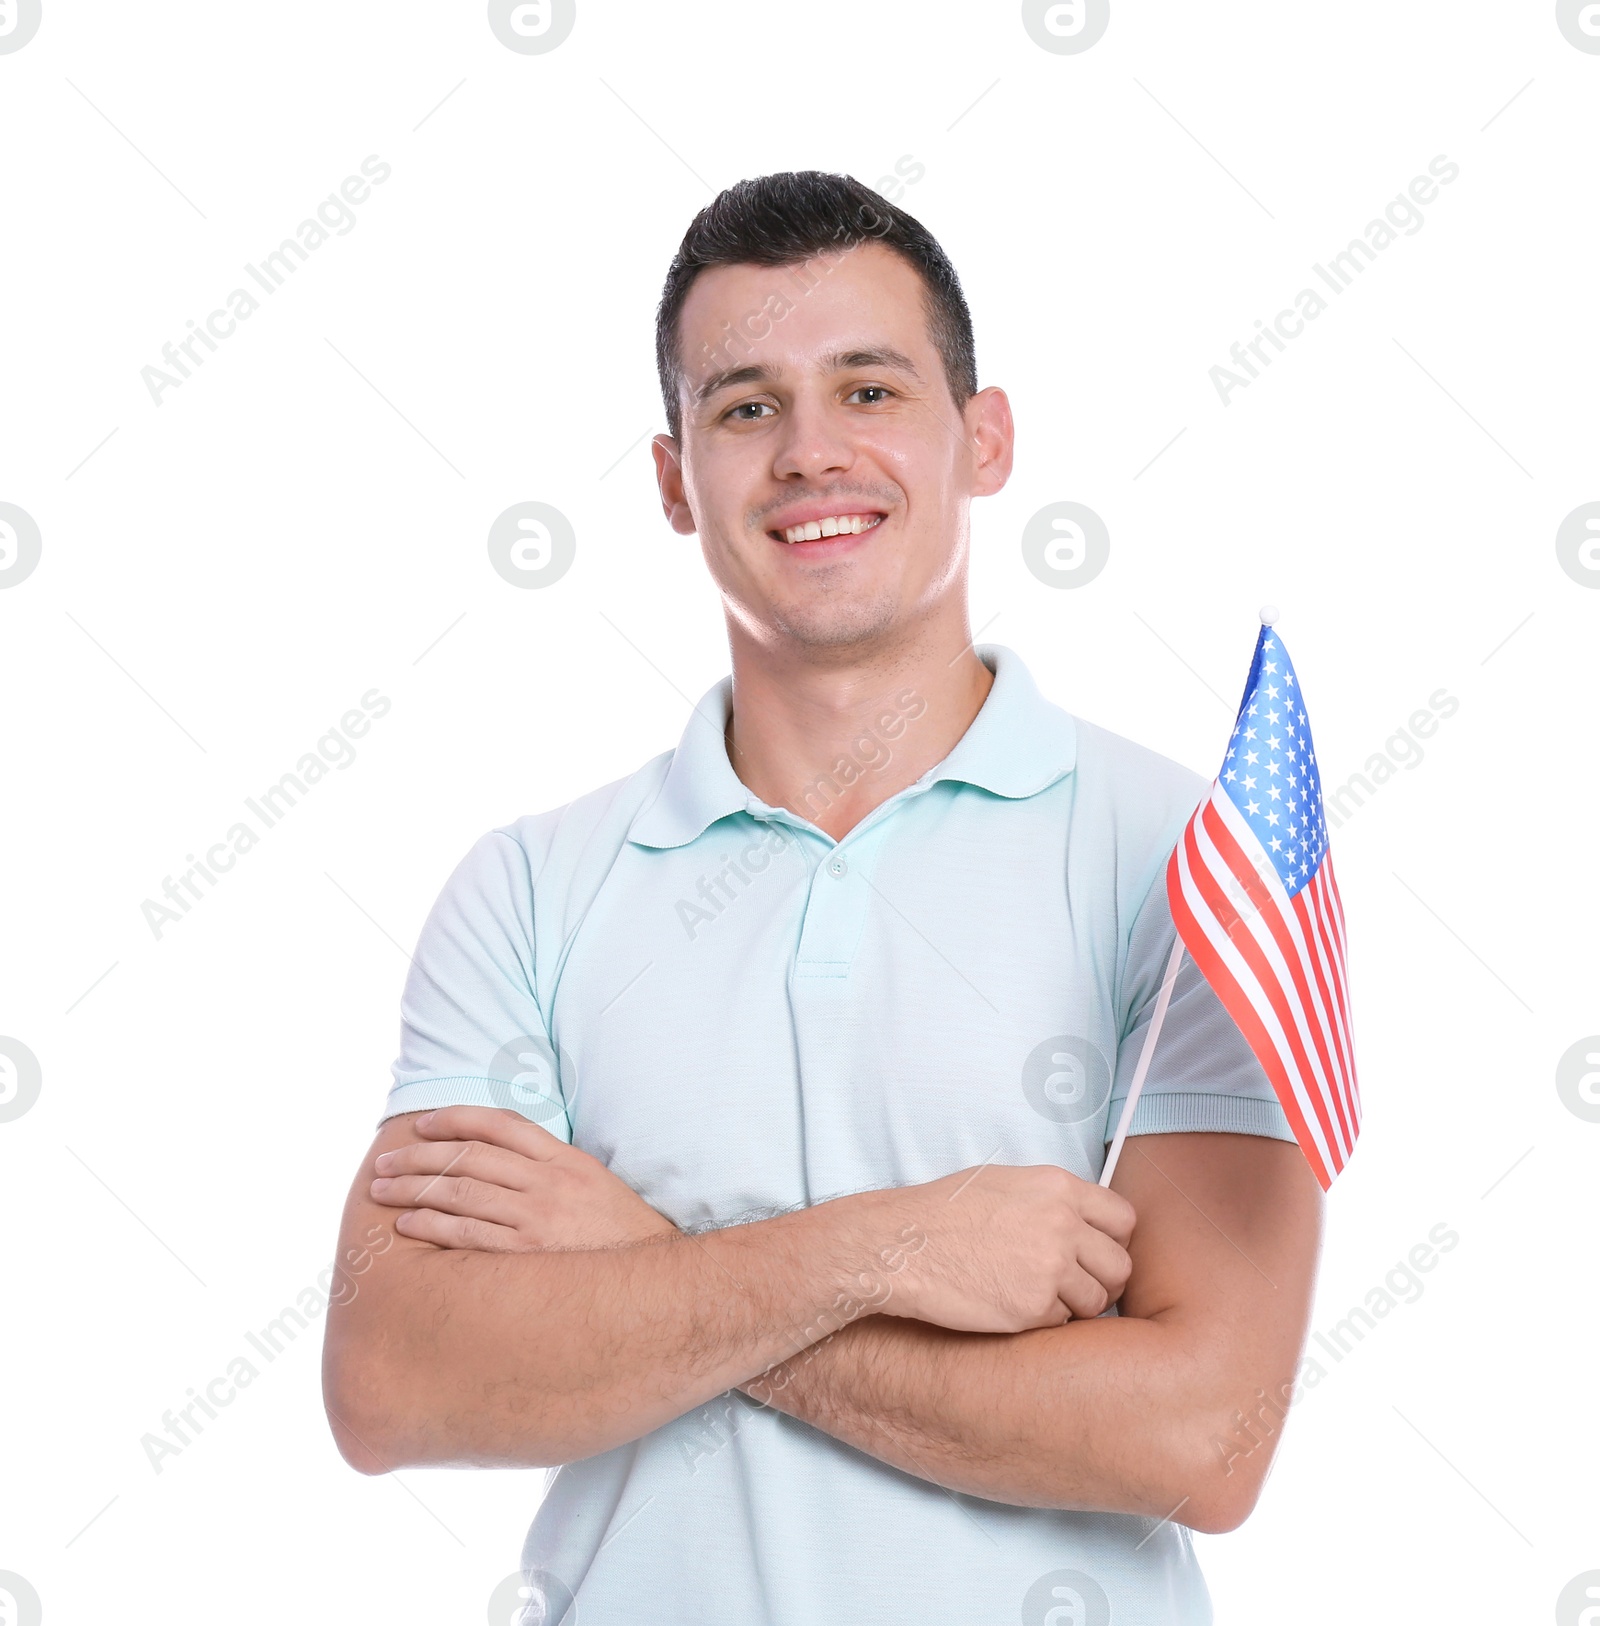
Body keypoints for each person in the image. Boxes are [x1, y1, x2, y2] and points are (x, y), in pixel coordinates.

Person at [322, 171, 1323, 1625]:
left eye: (868, 390)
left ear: (983, 440)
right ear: (674, 479)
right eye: (744, 407)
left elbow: (1201, 1436)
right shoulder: (531, 888)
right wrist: (892, 1250)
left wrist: (639, 1258)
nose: (809, 454)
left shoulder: (1184, 862)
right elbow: (394, 1379)